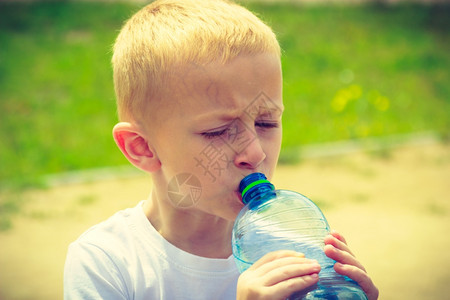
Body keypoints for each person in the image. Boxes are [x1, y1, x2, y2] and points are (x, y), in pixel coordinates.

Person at [63, 0, 379, 299]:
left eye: (267, 123)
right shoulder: (108, 264)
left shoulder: (295, 251)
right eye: (218, 132)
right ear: (143, 147)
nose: (254, 153)